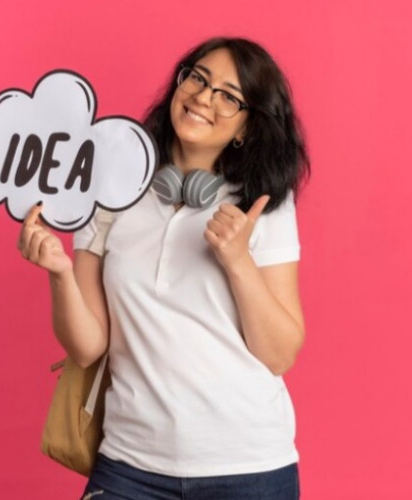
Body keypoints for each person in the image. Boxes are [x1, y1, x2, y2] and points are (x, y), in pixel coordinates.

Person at [18, 36, 311, 499]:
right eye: (198, 78)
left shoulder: (263, 205)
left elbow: (279, 354)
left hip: (249, 467)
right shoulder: (111, 192)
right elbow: (88, 346)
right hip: (130, 464)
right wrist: (59, 272)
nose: (203, 98)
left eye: (228, 96)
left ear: (246, 127)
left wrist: (238, 260)